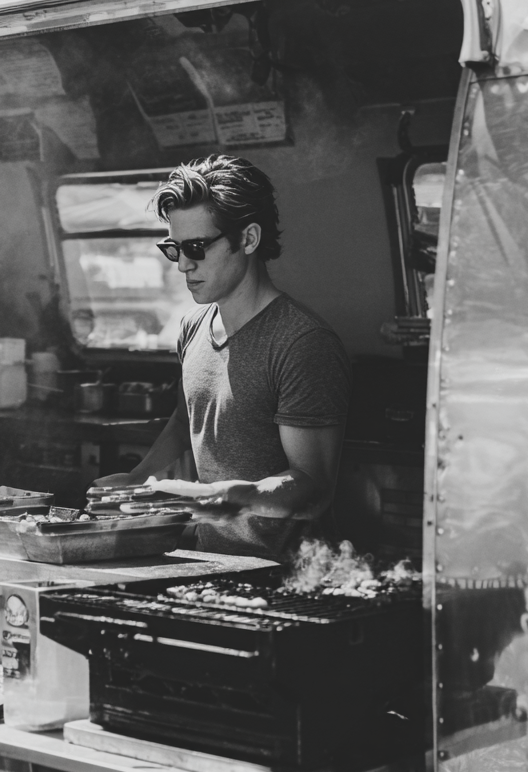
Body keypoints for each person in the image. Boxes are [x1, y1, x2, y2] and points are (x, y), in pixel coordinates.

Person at [95, 154, 350, 561]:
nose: (182, 264)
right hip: (216, 567)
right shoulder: (193, 328)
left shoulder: (301, 342)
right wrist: (137, 478)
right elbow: (185, 422)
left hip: (290, 576)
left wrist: (232, 497)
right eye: (173, 248)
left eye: (196, 247)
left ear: (248, 239)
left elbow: (313, 487)